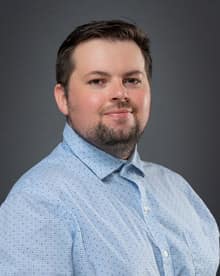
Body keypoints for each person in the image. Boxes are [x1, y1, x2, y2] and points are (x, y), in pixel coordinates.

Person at [0, 20, 219, 276]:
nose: (119, 93)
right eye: (97, 81)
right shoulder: (36, 203)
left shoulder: (178, 190)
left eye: (132, 80)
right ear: (63, 98)